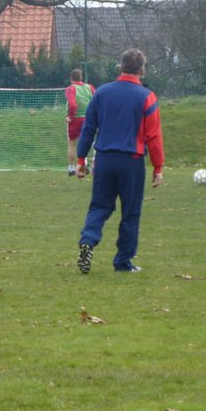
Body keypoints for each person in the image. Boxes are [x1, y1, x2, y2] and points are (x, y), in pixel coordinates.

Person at [76, 49, 164, 274]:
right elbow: (153, 136)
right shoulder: (147, 96)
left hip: (104, 160)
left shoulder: (102, 93)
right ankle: (123, 262)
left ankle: (88, 238)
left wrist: (81, 159)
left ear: (120, 67)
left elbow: (88, 129)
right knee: (131, 212)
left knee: (100, 206)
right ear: (142, 70)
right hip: (131, 162)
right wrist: (158, 166)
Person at [64, 68, 96, 176]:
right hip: (88, 119)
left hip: (75, 119)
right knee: (90, 142)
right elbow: (95, 101)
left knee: (72, 143)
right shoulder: (89, 87)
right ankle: (90, 163)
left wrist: (70, 116)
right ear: (81, 77)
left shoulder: (71, 89)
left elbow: (72, 105)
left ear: (71, 78)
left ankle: (72, 168)